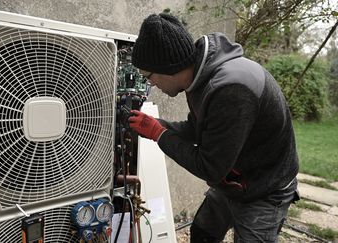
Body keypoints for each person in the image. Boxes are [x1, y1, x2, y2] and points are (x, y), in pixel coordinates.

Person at [128, 13, 299, 243]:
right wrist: (161, 126)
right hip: (234, 177)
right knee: (203, 234)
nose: (152, 85)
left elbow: (210, 167)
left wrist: (159, 134)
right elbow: (199, 128)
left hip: (265, 187)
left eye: (149, 77)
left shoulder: (231, 90)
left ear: (167, 67)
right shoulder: (199, 77)